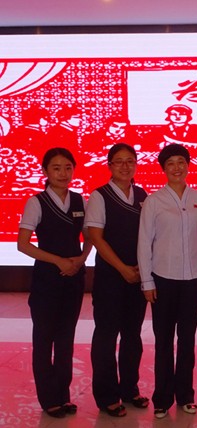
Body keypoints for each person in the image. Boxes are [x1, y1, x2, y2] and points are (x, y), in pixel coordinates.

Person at [137, 143, 197, 419]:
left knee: (187, 339)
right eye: (171, 164)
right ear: (164, 169)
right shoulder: (154, 201)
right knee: (164, 340)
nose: (177, 168)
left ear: (188, 165)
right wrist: (147, 281)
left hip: (193, 280)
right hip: (163, 280)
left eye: (181, 162)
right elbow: (144, 242)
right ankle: (162, 398)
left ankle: (186, 395)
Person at [17, 148, 92, 418]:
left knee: (65, 339)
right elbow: (23, 244)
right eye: (56, 168)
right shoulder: (36, 202)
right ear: (45, 171)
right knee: (44, 338)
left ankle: (63, 395)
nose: (63, 173)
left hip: (73, 279)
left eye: (68, 167)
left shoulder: (79, 200)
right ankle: (49, 399)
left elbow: (89, 235)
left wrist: (81, 259)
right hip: (47, 280)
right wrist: (58, 261)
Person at [85, 143, 148, 417]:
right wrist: (122, 268)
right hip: (111, 276)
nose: (125, 166)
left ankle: (130, 389)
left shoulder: (142, 195)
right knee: (106, 336)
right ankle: (107, 395)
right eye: (119, 161)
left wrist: (140, 268)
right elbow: (96, 238)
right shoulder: (99, 196)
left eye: (130, 161)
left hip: (137, 275)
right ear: (109, 165)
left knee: (133, 335)